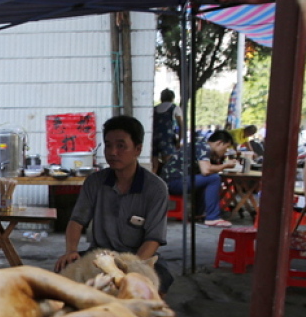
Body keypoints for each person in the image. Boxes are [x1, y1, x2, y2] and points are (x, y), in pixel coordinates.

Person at [54, 115, 172, 292]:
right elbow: (76, 221)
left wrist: (133, 268)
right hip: (99, 255)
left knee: (158, 281)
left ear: (138, 149)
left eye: (121, 145)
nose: (112, 152)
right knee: (62, 276)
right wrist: (71, 250)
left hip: (139, 257)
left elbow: (153, 239)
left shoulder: (156, 188)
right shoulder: (95, 182)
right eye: (108, 145)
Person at [161, 129, 237, 228]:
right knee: (214, 178)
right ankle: (212, 218)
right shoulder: (204, 147)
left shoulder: (201, 144)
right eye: (226, 148)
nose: (225, 152)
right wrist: (225, 165)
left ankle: (198, 213)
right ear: (219, 143)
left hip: (172, 181)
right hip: (173, 182)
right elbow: (206, 170)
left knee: (204, 179)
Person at [151, 88, 183, 175]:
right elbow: (181, 125)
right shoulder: (174, 108)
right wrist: (179, 140)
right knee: (169, 164)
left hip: (154, 138)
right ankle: (168, 184)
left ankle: (149, 185)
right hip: (167, 139)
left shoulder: (154, 109)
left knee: (154, 166)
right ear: (172, 98)